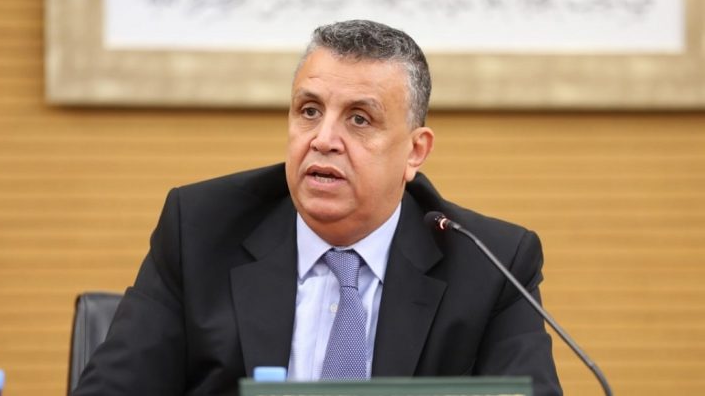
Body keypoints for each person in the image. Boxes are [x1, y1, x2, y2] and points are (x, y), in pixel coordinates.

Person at [73, 20, 562, 396]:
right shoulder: (200, 230)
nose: (323, 139)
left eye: (359, 119)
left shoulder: (491, 264)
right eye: (309, 111)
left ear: (415, 151)